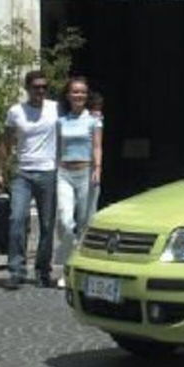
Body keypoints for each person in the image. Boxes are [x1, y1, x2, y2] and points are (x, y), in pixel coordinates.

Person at [0, 70, 59, 290]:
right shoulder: (16, 111)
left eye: (44, 87)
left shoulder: (55, 108)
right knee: (17, 219)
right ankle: (16, 270)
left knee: (47, 224)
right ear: (27, 89)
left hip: (48, 171)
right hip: (22, 172)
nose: (40, 91)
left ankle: (42, 271)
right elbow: (5, 142)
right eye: (36, 87)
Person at [54, 77, 103, 288]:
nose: (79, 96)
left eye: (82, 92)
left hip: (86, 172)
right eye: (75, 92)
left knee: (85, 223)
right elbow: (57, 148)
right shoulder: (61, 121)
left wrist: (98, 168)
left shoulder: (94, 120)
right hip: (64, 172)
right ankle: (67, 266)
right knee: (65, 221)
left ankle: (80, 269)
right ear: (68, 95)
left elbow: (97, 146)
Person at [84, 90, 104, 224]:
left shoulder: (97, 120)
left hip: (91, 165)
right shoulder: (94, 119)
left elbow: (98, 145)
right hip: (85, 164)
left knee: (89, 206)